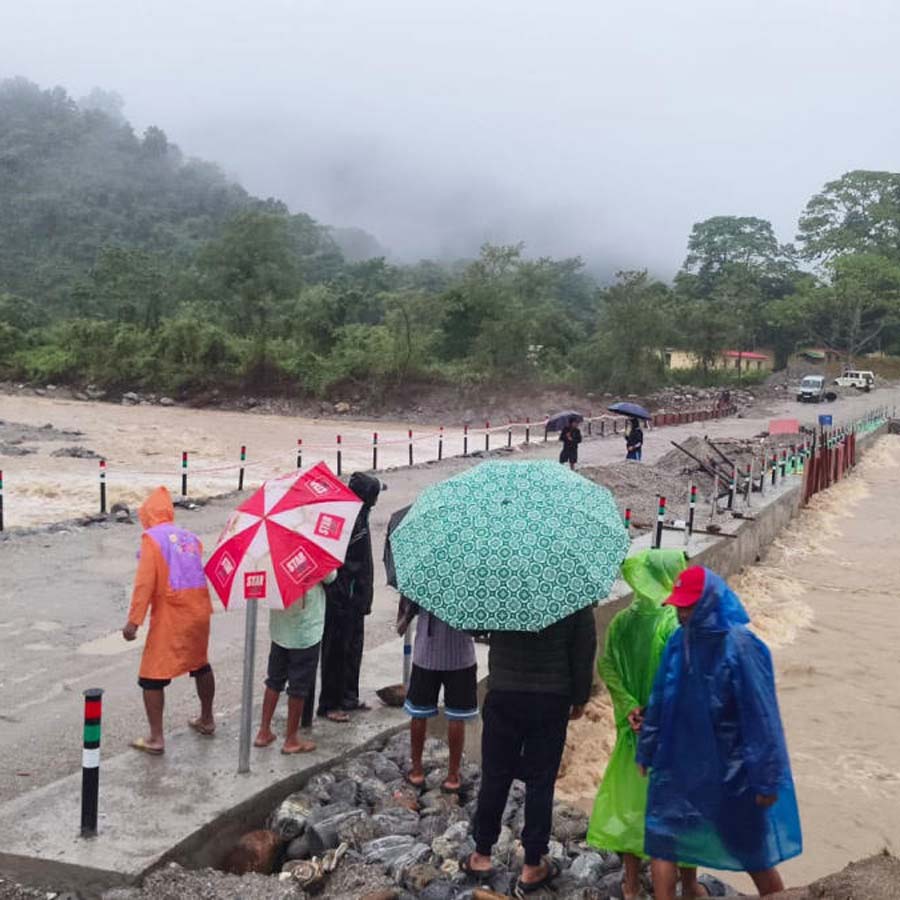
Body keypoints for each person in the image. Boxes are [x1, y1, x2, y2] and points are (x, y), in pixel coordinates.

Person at [637, 566, 802, 900]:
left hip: (731, 772)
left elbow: (761, 716)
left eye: (687, 606)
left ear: (710, 601)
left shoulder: (740, 647)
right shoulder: (679, 641)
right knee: (664, 839)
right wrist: (648, 747)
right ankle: (687, 893)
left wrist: (767, 778)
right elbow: (660, 699)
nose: (681, 613)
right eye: (678, 606)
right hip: (680, 764)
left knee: (755, 855)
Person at [587, 549, 706, 900]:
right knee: (678, 812)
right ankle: (688, 885)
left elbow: (607, 666)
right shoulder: (672, 623)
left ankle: (630, 883)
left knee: (628, 806)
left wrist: (628, 707)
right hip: (669, 735)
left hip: (632, 732)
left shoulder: (624, 621)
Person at [464, 605, 596, 895]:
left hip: (504, 694)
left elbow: (473, 626)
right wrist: (580, 696)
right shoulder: (573, 590)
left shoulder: (502, 584)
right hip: (551, 698)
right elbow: (584, 649)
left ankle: (482, 854)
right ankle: (533, 862)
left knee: (495, 776)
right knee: (541, 780)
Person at [122, 486, 215, 755]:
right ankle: (207, 719)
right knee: (200, 664)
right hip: (198, 612)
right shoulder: (190, 538)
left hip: (172, 614)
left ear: (148, 514)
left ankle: (156, 738)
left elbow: (145, 583)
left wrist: (134, 621)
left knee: (151, 676)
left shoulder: (152, 539)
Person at [315, 472, 383, 722]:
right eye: (375, 494)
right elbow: (333, 561)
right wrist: (341, 591)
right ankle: (330, 703)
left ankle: (349, 697)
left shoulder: (362, 515)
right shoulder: (344, 521)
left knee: (353, 648)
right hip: (343, 597)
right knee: (336, 651)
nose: (377, 500)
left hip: (357, 597)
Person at [254, 571, 336, 754]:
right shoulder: (312, 551)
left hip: (280, 628)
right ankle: (291, 739)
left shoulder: (274, 554)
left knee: (274, 680)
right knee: (298, 687)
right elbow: (330, 576)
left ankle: (263, 731)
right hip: (305, 630)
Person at [400, 604, 478, 791]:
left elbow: (410, 605)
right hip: (461, 655)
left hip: (426, 653)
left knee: (418, 713)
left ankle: (417, 771)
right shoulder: (470, 580)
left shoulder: (426, 577)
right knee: (456, 717)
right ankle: (452, 776)